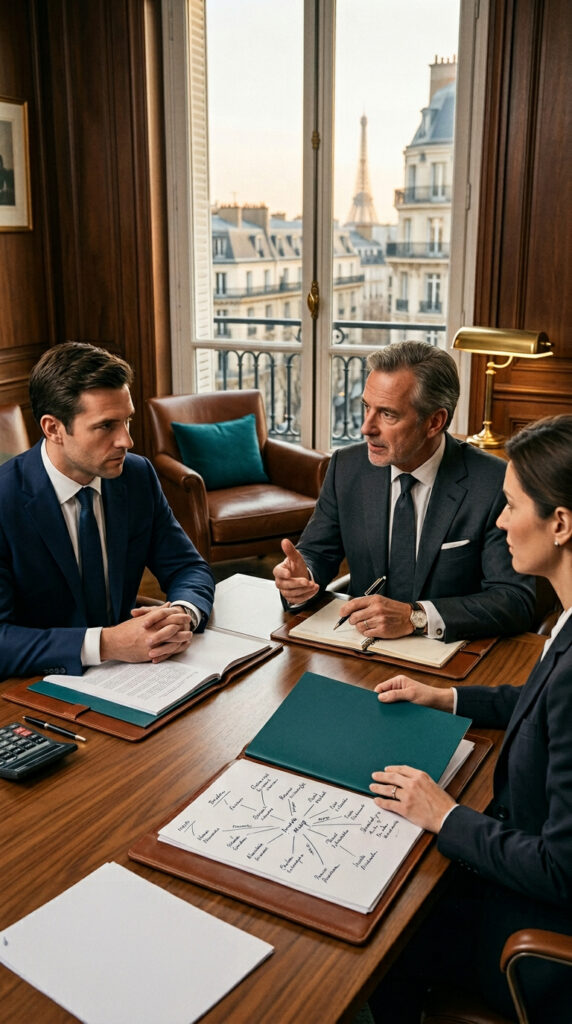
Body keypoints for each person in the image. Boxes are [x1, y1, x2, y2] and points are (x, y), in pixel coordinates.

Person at [367, 414, 572, 1021]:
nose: (501, 520)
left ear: (560, 523)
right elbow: (538, 703)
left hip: (536, 940)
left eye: (510, 506)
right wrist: (447, 697)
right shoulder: (562, 622)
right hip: (522, 876)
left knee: (388, 931)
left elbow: (560, 870)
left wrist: (445, 814)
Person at [273, 341, 535, 642]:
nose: (366, 428)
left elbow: (514, 600)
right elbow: (317, 553)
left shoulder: (492, 482)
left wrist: (416, 617)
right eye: (366, 407)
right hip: (356, 647)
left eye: (388, 414)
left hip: (448, 656)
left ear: (435, 422)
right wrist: (301, 577)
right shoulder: (347, 467)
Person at [0, 341, 215, 680]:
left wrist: (182, 612)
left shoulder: (137, 475)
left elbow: (187, 566)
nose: (126, 441)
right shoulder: (4, 500)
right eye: (106, 426)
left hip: (135, 675)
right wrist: (105, 644)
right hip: (34, 685)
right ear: (53, 428)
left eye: (127, 421)